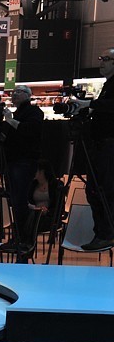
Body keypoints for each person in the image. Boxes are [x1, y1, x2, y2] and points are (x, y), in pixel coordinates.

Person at [71, 49, 114, 250]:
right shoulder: (107, 85)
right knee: (95, 190)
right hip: (100, 144)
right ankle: (102, 233)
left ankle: (106, 234)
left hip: (109, 144)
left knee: (104, 190)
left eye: (106, 59)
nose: (101, 62)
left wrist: (90, 104)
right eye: (101, 58)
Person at [1, 84, 44, 257]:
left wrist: (10, 120)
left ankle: (24, 239)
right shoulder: (16, 114)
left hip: (24, 161)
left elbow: (29, 131)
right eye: (14, 92)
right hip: (12, 161)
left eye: (19, 92)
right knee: (15, 200)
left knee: (20, 200)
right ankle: (18, 237)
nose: (15, 94)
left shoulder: (34, 112)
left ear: (28, 95)